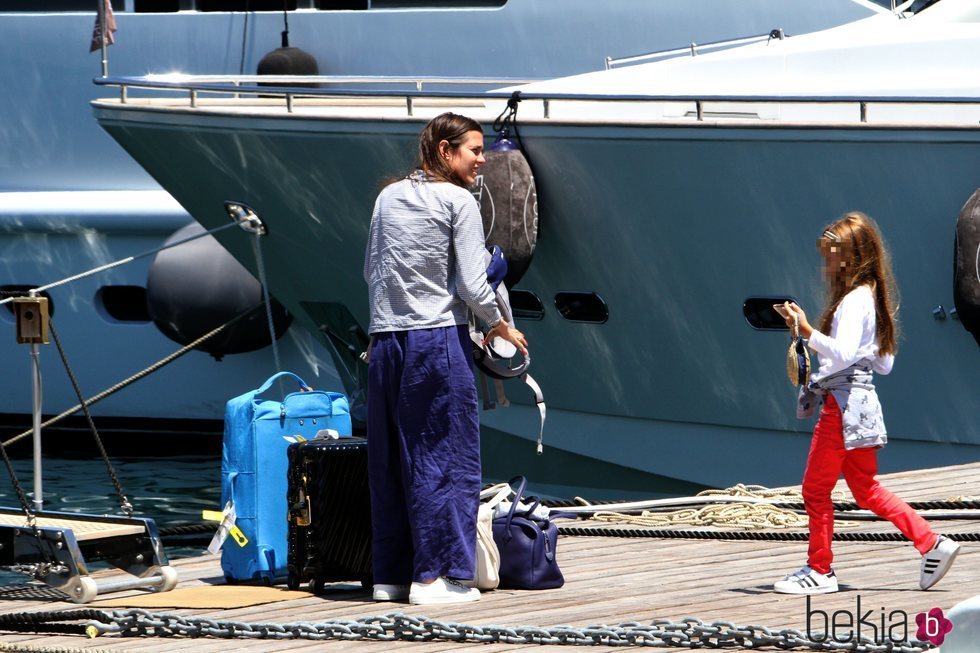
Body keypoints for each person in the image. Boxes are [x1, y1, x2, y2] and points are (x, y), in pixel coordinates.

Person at [363, 112, 528, 605]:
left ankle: (390, 577)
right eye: (474, 151)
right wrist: (500, 325)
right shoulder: (458, 200)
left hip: (385, 342)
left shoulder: (387, 197)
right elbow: (473, 286)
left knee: (392, 460)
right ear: (444, 152)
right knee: (445, 457)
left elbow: (372, 270)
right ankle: (438, 577)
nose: (481, 160)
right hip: (435, 341)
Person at [773, 211, 960, 595]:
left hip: (841, 409)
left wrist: (807, 331)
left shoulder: (854, 300)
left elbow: (840, 354)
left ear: (850, 256)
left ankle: (819, 570)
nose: (827, 262)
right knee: (865, 488)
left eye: (831, 254)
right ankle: (931, 542)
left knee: (815, 490)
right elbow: (884, 364)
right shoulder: (873, 298)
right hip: (864, 408)